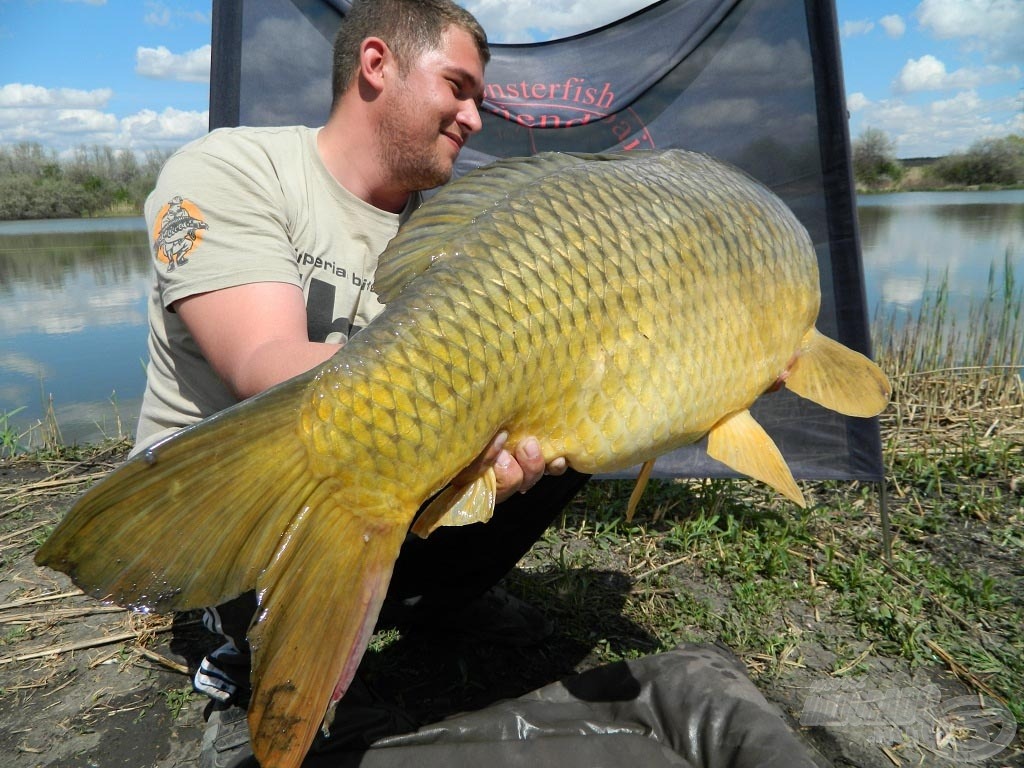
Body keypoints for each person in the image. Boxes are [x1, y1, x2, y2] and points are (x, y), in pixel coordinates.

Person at [134, 0, 589, 757]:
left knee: (576, 424)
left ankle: (434, 601)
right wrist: (469, 425)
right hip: (230, 490)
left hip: (379, 479)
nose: (474, 118)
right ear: (376, 65)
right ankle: (239, 667)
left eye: (477, 98)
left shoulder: (449, 233)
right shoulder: (232, 169)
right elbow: (264, 367)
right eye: (458, 88)